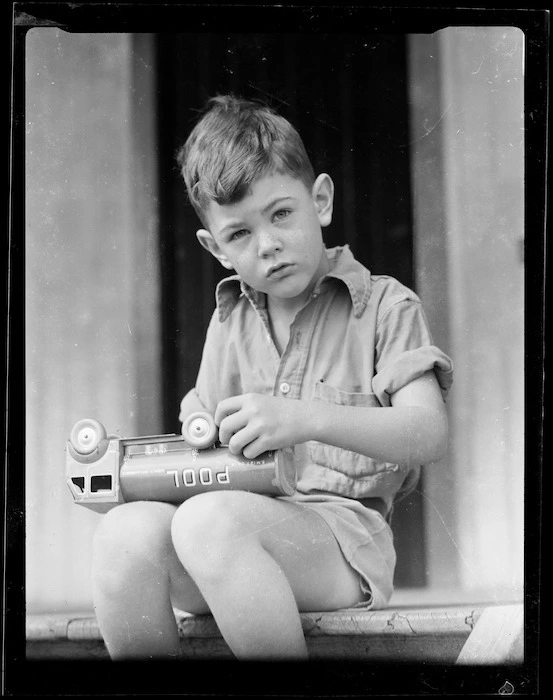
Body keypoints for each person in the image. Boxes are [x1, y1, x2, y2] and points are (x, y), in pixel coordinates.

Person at [91, 94, 453, 661]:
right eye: (239, 235)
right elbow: (202, 440)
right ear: (216, 249)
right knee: (122, 532)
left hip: (340, 548)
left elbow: (428, 433)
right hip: (228, 540)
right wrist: (191, 440)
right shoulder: (229, 319)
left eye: (281, 214)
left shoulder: (385, 305)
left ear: (321, 201)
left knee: (208, 522)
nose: (268, 245)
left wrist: (302, 419)